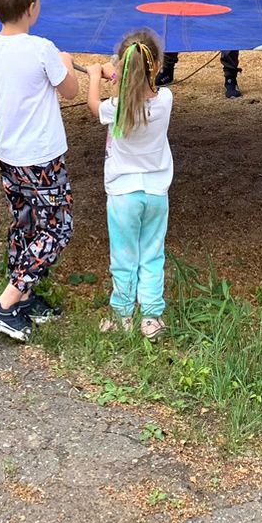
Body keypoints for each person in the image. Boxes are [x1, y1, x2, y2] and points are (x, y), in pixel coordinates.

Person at [0, 0, 80, 342]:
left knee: (25, 225)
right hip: (42, 157)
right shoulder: (43, 49)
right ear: (32, 8)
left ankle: (25, 298)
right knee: (58, 227)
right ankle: (4, 304)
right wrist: (66, 62)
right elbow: (70, 90)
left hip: (11, 155)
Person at [87, 28, 173, 341]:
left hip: (123, 194)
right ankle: (151, 318)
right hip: (155, 194)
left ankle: (122, 314)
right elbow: (140, 88)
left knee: (124, 257)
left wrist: (96, 75)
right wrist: (120, 75)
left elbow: (94, 106)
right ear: (158, 66)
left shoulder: (116, 107)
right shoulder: (165, 100)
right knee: (152, 254)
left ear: (122, 69)